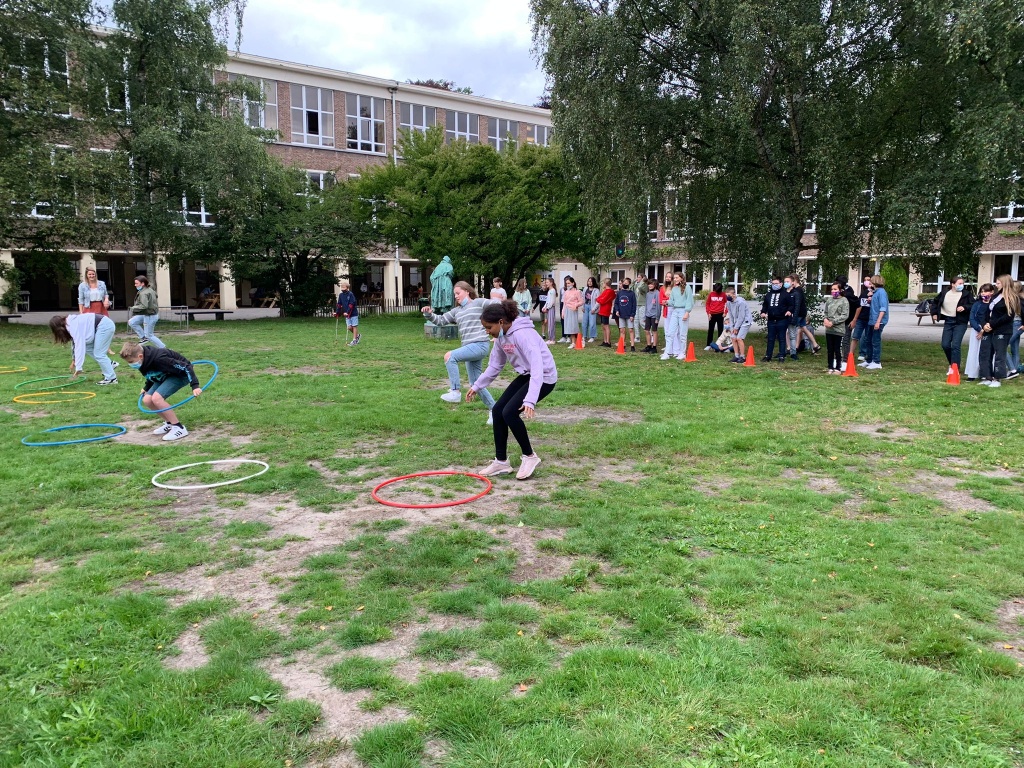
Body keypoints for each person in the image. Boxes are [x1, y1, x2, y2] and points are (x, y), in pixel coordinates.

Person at [468, 300, 557, 480]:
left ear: (501, 322)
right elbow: (495, 366)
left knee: (510, 413)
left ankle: (530, 457)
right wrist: (477, 385)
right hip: (527, 375)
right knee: (498, 411)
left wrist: (530, 400)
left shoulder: (523, 335)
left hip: (544, 377)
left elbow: (538, 367)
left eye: (488, 327)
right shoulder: (501, 337)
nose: (487, 331)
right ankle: (501, 462)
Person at [422, 281, 497, 423]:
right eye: (454, 294)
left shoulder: (478, 303)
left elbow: (497, 305)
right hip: (470, 348)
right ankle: (495, 411)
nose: (456, 296)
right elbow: (441, 320)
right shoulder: (457, 311)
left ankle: (455, 391)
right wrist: (429, 314)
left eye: (458, 293)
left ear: (467, 291)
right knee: (476, 384)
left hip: (480, 345)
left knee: (450, 356)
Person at [119, 341, 202, 441]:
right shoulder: (143, 360)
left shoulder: (160, 359)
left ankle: (178, 427)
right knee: (147, 400)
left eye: (131, 362)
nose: (130, 364)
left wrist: (195, 385)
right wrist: (146, 387)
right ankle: (169, 423)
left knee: (157, 398)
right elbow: (151, 374)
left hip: (179, 375)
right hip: (164, 375)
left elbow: (186, 367)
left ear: (140, 356)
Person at [48, 313, 119, 385]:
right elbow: (75, 344)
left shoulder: (72, 326)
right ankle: (110, 364)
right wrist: (74, 360)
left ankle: (111, 379)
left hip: (105, 326)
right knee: (88, 348)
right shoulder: (69, 324)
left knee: (99, 354)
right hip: (102, 325)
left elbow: (79, 346)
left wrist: (78, 368)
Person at [978, 274, 1020, 387]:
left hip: (1002, 330)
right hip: (989, 329)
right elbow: (987, 312)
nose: (996, 285)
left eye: (998, 283)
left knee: (999, 354)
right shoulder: (995, 297)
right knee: (985, 353)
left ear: (1005, 283)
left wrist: (992, 324)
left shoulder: (1012, 298)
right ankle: (987, 376)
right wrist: (984, 325)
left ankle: (997, 379)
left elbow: (1008, 316)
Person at [932, 276, 974, 375]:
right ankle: (952, 363)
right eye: (959, 283)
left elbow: (973, 304)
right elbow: (935, 302)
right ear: (953, 284)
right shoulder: (944, 293)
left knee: (955, 345)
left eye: (962, 283)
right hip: (948, 320)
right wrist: (934, 313)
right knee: (945, 344)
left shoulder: (966, 294)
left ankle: (955, 368)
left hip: (960, 322)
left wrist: (964, 307)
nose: (961, 285)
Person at [760, 276, 793, 362]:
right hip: (771, 320)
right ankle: (768, 355)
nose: (774, 285)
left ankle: (782, 356)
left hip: (782, 319)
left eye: (776, 284)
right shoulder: (768, 294)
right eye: (773, 284)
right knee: (770, 338)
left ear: (781, 284)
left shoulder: (785, 294)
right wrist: (763, 312)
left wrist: (789, 311)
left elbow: (791, 305)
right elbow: (765, 305)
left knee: (782, 338)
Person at [859, 274, 889, 369]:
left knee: (875, 341)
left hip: (878, 321)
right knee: (868, 340)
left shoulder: (881, 293)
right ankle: (869, 360)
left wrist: (878, 322)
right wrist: (870, 300)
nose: (869, 283)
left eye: (871, 281)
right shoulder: (875, 292)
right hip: (872, 320)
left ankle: (876, 362)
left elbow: (883, 308)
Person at [127, 275, 166, 349]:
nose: (135, 285)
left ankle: (163, 349)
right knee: (132, 322)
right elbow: (156, 296)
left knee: (149, 335)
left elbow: (144, 306)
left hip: (150, 315)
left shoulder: (143, 293)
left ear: (142, 283)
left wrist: (133, 308)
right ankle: (143, 338)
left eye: (136, 283)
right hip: (147, 314)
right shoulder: (150, 290)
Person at [662, 272, 693, 360]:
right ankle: (667, 352)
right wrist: (667, 302)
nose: (675, 279)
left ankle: (682, 353)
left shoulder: (687, 287)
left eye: (676, 278)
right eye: (674, 278)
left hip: (683, 311)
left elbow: (689, 300)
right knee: (670, 333)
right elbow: (672, 301)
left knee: (682, 334)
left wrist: (687, 312)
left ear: (681, 278)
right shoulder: (674, 289)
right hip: (675, 311)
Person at [965, 283, 993, 381]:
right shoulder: (977, 304)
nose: (983, 293)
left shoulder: (993, 304)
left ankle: (986, 374)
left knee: (987, 352)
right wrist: (979, 329)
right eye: (982, 291)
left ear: (992, 292)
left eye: (985, 291)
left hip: (989, 330)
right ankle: (972, 374)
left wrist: (985, 329)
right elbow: (972, 318)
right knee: (973, 351)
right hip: (977, 329)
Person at [822, 282, 848, 374]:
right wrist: (825, 320)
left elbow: (844, 315)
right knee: (830, 349)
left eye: (835, 289)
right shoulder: (829, 300)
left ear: (840, 290)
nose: (833, 291)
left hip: (838, 329)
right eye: (832, 289)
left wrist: (833, 322)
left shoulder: (844, 300)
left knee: (837, 349)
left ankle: (838, 367)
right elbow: (825, 312)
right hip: (829, 330)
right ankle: (830, 367)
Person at [725, 286, 752, 363]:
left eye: (729, 295)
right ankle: (736, 356)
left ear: (734, 294)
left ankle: (742, 357)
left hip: (745, 322)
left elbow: (741, 316)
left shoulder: (741, 302)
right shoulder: (728, 303)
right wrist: (732, 327)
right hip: (737, 322)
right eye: (726, 295)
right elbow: (730, 315)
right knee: (733, 337)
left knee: (739, 338)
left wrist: (736, 328)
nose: (728, 297)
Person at [612, 277, 637, 352]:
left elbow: (634, 305)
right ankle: (622, 345)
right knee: (622, 330)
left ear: (629, 284)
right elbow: (616, 303)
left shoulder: (632, 293)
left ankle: (632, 346)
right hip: (621, 314)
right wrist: (617, 310)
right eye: (624, 282)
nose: (625, 283)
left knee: (630, 330)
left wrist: (632, 315)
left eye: (627, 282)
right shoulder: (619, 293)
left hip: (629, 315)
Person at [852, 277, 873, 361]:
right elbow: (859, 306)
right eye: (865, 280)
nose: (867, 282)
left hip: (870, 319)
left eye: (869, 280)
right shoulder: (864, 293)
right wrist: (855, 319)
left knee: (866, 337)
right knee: (856, 336)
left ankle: (865, 354)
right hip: (861, 318)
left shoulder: (876, 294)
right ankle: (851, 354)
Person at [335, 281, 360, 346]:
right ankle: (358, 336)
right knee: (349, 327)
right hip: (346, 314)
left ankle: (354, 340)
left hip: (353, 313)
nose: (342, 288)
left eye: (343, 287)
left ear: (347, 287)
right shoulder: (341, 295)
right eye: (341, 286)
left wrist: (347, 312)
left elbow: (352, 304)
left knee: (354, 326)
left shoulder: (350, 294)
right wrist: (337, 312)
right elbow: (339, 304)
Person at [704, 282, 727, 350]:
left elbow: (727, 304)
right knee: (710, 330)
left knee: (720, 330)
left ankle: (719, 344)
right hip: (712, 314)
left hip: (720, 314)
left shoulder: (723, 295)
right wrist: (708, 313)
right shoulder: (711, 294)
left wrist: (725, 312)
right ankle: (709, 344)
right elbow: (707, 304)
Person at [561, 277, 584, 342]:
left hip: (573, 310)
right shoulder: (566, 292)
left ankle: (578, 340)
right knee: (569, 326)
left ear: (573, 283)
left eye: (569, 283)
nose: (567, 285)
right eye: (566, 283)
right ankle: (573, 341)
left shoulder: (577, 292)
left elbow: (581, 301)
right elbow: (564, 303)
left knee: (573, 326)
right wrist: (563, 312)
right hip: (567, 310)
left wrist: (576, 305)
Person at [594, 278, 615, 347]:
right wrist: (599, 299)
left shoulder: (610, 291)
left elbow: (602, 300)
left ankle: (608, 342)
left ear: (606, 284)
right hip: (602, 310)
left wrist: (598, 299)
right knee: (603, 325)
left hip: (606, 310)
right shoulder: (605, 291)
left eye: (603, 283)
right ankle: (605, 340)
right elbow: (600, 298)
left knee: (606, 326)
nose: (602, 284)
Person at [643, 278, 661, 353]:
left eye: (652, 284)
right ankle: (648, 345)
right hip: (648, 315)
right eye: (649, 284)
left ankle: (654, 347)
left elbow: (658, 306)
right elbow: (646, 305)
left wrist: (657, 317)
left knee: (654, 331)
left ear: (655, 285)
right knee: (647, 330)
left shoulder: (657, 293)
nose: (650, 285)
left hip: (654, 316)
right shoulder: (648, 294)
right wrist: (645, 315)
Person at [582, 276, 599, 343]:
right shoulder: (585, 289)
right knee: (584, 323)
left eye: (591, 281)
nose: (589, 283)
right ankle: (584, 336)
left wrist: (594, 309)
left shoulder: (596, 290)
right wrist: (582, 307)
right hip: (585, 306)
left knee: (592, 323)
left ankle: (592, 336)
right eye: (588, 281)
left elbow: (598, 301)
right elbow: (583, 298)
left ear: (593, 282)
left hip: (592, 307)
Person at [541, 278, 558, 344]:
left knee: (551, 324)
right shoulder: (549, 291)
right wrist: (544, 307)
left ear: (551, 283)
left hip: (551, 309)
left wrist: (547, 308)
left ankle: (552, 339)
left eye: (547, 282)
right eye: (546, 282)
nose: (546, 284)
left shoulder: (553, 291)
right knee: (549, 324)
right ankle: (550, 338)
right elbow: (547, 301)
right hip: (548, 308)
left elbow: (552, 302)